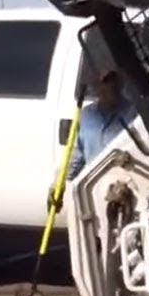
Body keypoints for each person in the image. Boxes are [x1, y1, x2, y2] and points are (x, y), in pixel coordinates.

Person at [48, 69, 137, 212]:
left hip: (130, 191)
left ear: (121, 83)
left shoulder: (134, 115)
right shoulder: (86, 116)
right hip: (97, 191)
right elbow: (74, 157)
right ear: (96, 86)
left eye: (114, 81)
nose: (111, 87)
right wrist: (58, 184)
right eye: (105, 82)